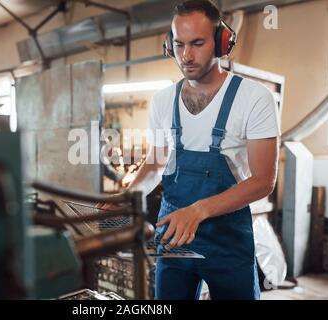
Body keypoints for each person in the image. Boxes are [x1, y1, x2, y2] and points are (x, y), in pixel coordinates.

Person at [100, 0, 280, 300]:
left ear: (222, 42)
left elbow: (263, 181)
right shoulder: (162, 101)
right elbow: (156, 164)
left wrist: (198, 211)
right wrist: (129, 195)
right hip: (173, 236)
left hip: (227, 240)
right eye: (179, 44)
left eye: (197, 43)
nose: (186, 56)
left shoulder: (253, 98)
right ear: (169, 45)